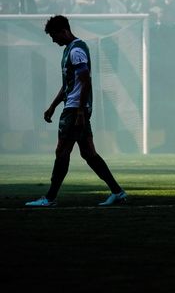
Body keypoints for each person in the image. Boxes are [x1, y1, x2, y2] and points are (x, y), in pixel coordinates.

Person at [25, 15, 127, 207]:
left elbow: (85, 81)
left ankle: (49, 198)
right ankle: (117, 192)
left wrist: (80, 111)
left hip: (74, 110)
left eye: (54, 36)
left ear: (64, 31)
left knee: (62, 151)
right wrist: (53, 106)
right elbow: (69, 84)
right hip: (74, 107)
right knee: (89, 153)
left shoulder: (77, 50)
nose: (53, 40)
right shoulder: (69, 50)